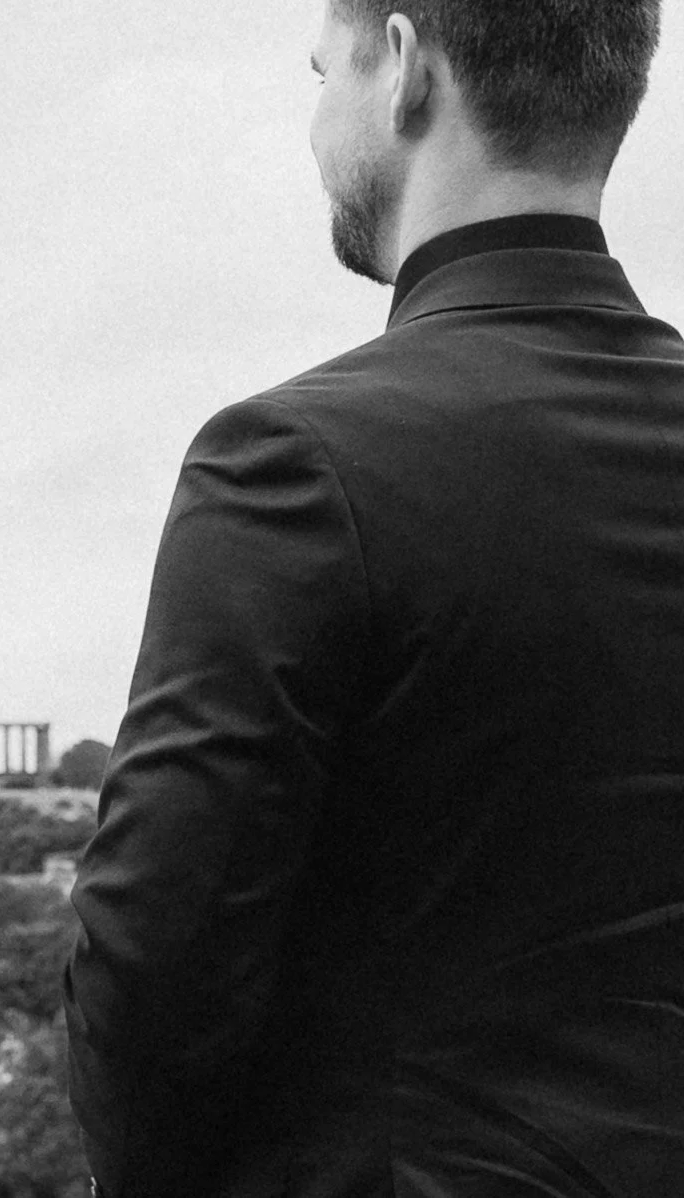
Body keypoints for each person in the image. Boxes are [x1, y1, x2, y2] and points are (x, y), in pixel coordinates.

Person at [64, 2, 683, 1194]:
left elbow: (154, 977)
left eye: (321, 73)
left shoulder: (294, 461)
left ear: (402, 68)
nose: (314, 122)